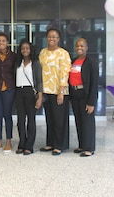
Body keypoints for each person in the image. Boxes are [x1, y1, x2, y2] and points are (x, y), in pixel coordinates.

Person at [39, 28, 71, 156]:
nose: (52, 39)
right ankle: (50, 143)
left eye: (54, 36)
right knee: (50, 118)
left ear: (58, 39)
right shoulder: (43, 53)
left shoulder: (63, 53)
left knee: (59, 119)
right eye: (49, 36)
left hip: (59, 91)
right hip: (46, 91)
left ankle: (59, 145)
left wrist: (61, 91)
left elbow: (65, 72)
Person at [69, 38, 98, 157]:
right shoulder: (74, 61)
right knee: (79, 120)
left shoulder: (91, 62)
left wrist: (91, 102)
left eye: (82, 46)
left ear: (86, 48)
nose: (79, 48)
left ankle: (89, 148)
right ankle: (81, 145)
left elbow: (94, 83)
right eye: (77, 46)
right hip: (75, 94)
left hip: (86, 95)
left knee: (87, 121)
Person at [14, 40, 43, 155]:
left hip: (31, 93)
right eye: (22, 48)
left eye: (27, 48)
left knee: (31, 120)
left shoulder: (35, 63)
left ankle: (29, 146)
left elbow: (39, 81)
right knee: (20, 121)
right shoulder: (17, 63)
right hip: (19, 92)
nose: (24, 50)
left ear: (30, 50)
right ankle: (22, 143)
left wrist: (40, 97)